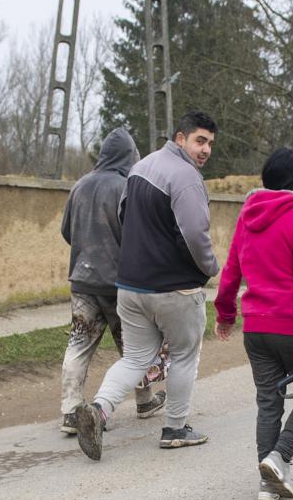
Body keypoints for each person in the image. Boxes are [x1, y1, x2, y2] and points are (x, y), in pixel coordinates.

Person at [76, 111, 221, 460]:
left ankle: (98, 410)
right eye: (200, 140)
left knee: (137, 357)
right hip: (175, 289)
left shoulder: (139, 169)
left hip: (130, 285)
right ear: (180, 137)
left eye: (211, 144)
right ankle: (175, 428)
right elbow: (194, 236)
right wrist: (210, 268)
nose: (205, 150)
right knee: (185, 354)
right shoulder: (186, 177)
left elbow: (125, 217)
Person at [214, 148, 293, 500]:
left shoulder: (246, 217)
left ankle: (267, 481)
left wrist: (226, 315)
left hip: (256, 328)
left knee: (269, 401)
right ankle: (280, 457)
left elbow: (231, 273)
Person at [57, 128, 169, 435]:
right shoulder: (127, 187)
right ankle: (145, 401)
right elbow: (138, 236)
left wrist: (86, 252)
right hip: (120, 284)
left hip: (83, 281)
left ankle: (70, 412)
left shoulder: (79, 186)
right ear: (129, 156)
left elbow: (67, 231)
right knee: (135, 347)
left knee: (79, 345)